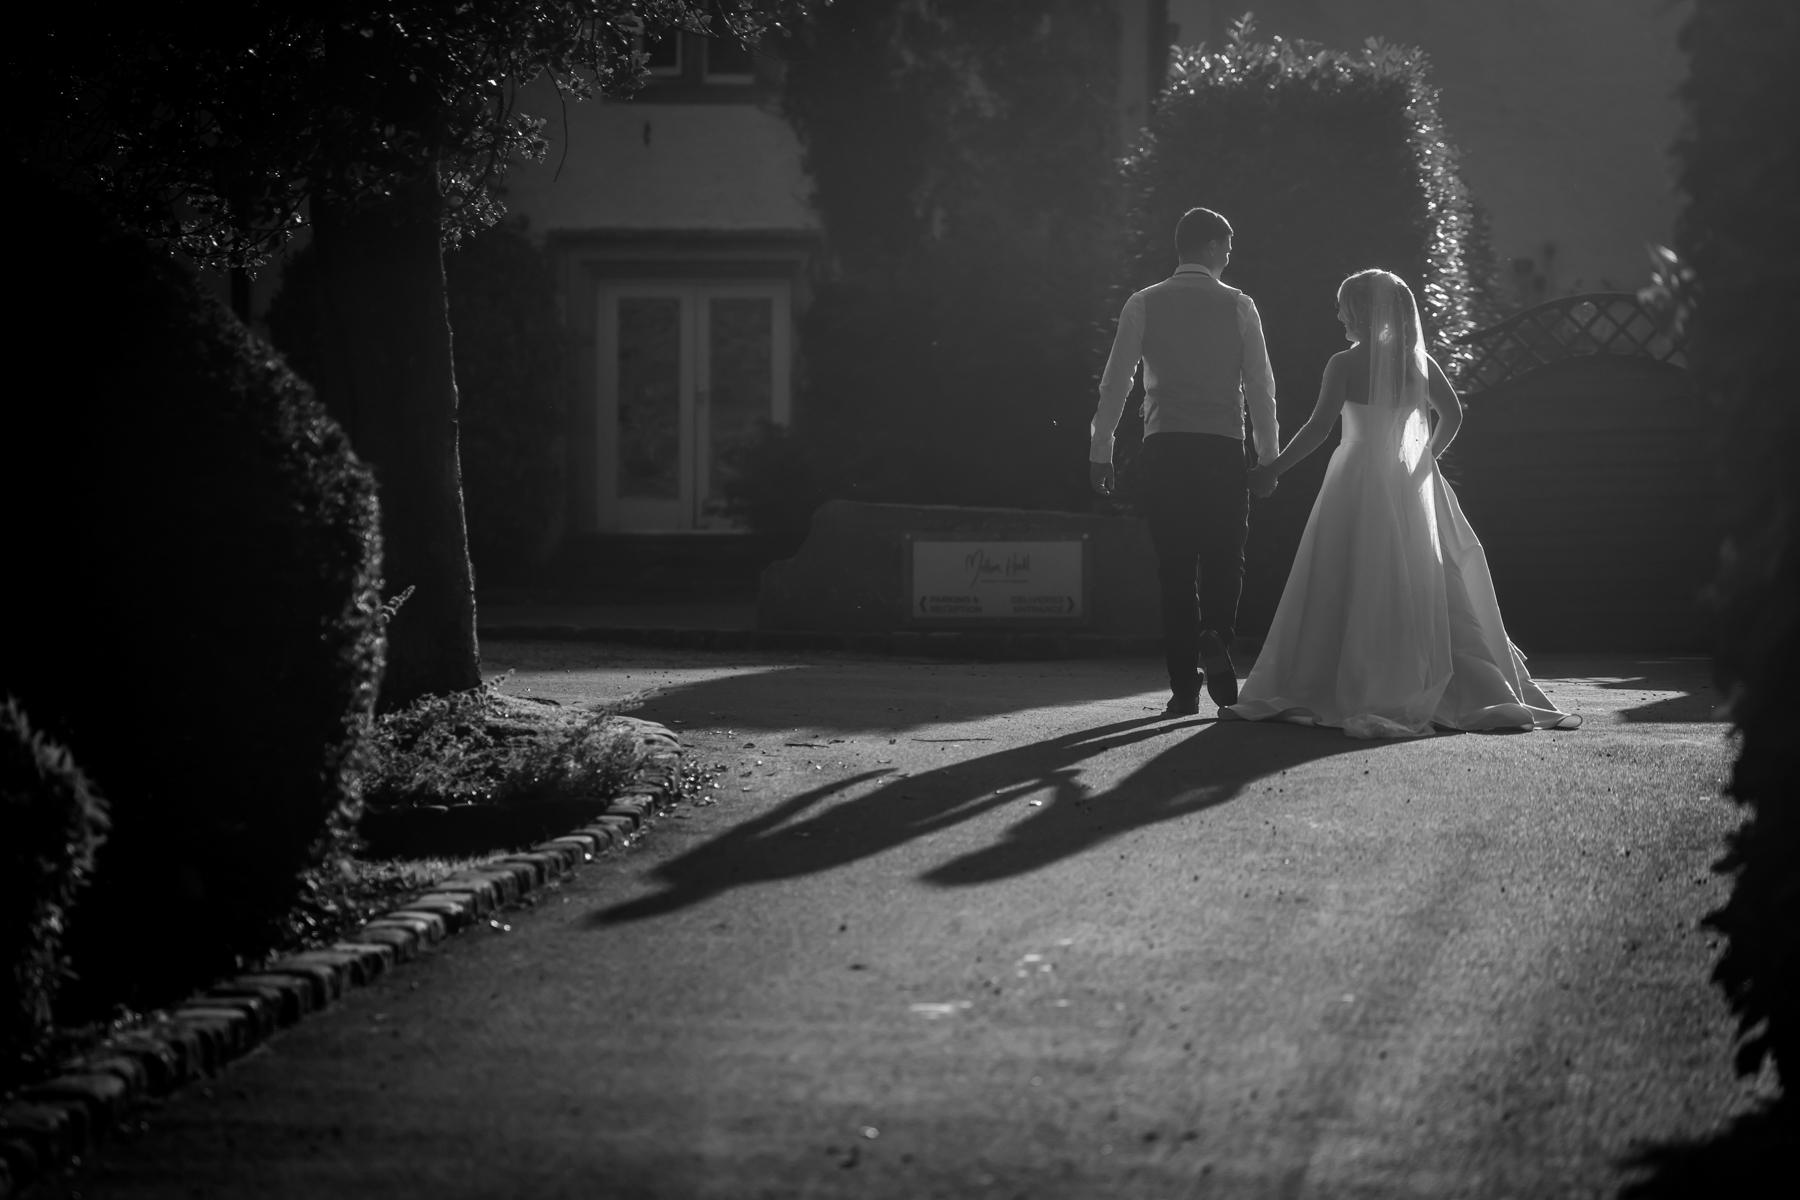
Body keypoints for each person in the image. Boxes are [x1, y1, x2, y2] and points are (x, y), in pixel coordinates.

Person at [1224, 269, 1580, 736]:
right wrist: (1422, 460)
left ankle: (1343, 676)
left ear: (1361, 313)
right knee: (1426, 575)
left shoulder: (1343, 364)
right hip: (1408, 480)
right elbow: (1452, 414)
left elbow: (1317, 428)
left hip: (1354, 478)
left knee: (1346, 573)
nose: (1337, 315)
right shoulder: (1417, 362)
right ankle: (1466, 683)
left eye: (1343, 306)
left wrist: (1272, 469)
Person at [1090, 207, 1280, 716]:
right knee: (1225, 557)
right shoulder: (1241, 307)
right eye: (1229, 247)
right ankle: (1216, 635)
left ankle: (1182, 687)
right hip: (1220, 446)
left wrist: (1101, 449)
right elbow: (1260, 389)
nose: (1230, 256)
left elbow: (1117, 381)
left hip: (1165, 447)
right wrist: (1268, 458)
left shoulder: (1143, 304)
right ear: (1214, 247)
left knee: (1174, 567)